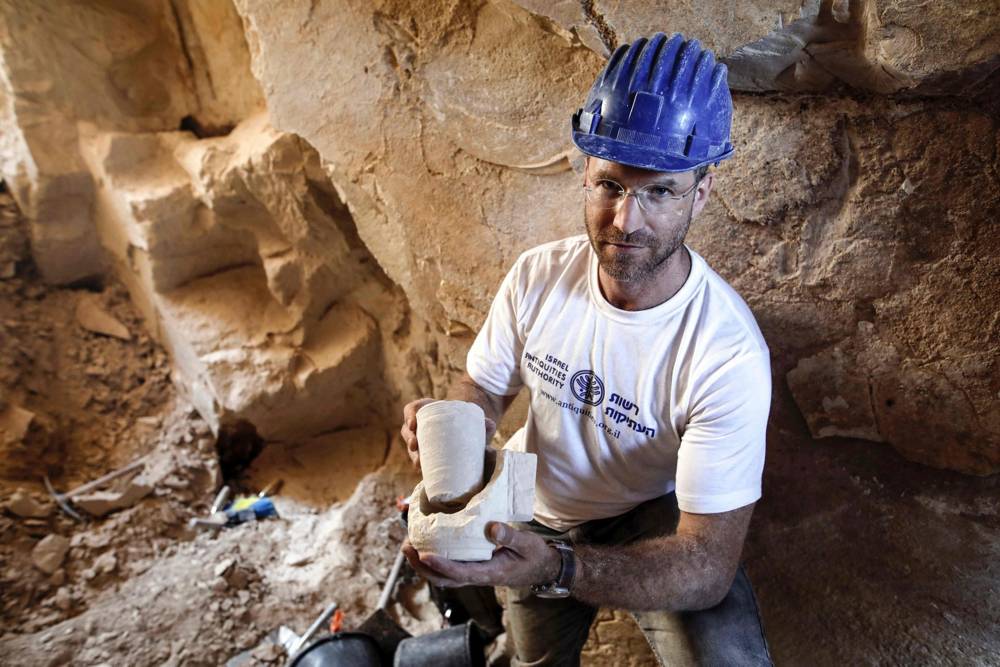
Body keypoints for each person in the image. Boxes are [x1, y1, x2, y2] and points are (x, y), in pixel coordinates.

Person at [401, 32, 774, 666]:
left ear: (701, 192)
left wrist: (558, 569)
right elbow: (484, 388)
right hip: (535, 502)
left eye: (659, 191)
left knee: (724, 657)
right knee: (535, 660)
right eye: (610, 185)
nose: (626, 220)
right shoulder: (537, 276)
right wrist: (457, 427)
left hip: (648, 512)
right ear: (584, 173)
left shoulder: (725, 353)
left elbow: (707, 565)